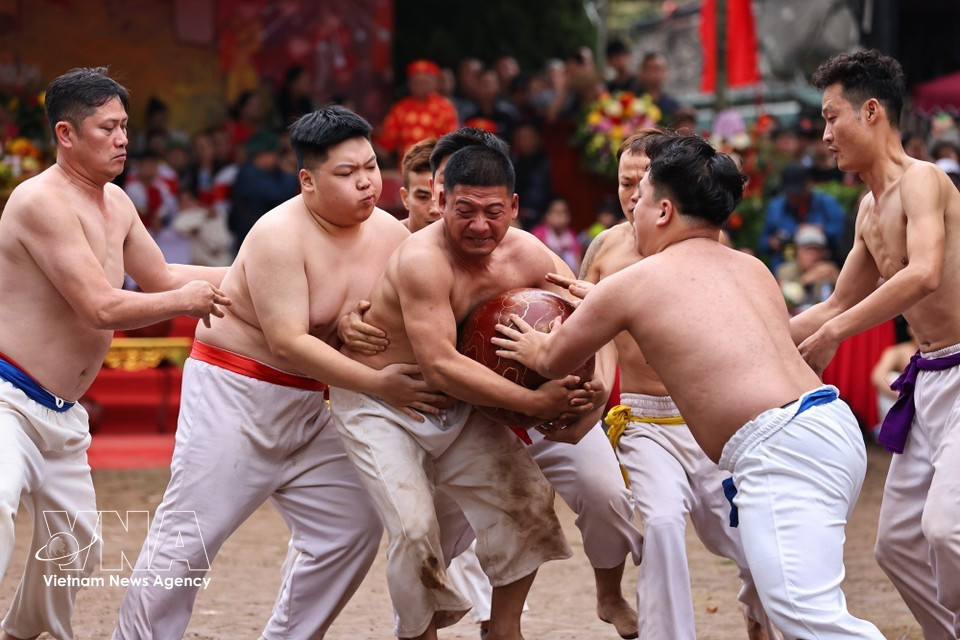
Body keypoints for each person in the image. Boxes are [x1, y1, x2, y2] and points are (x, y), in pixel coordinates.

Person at [493, 133, 885, 639]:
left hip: (778, 446)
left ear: (663, 211)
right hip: (829, 428)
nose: (631, 208)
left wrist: (529, 346)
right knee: (789, 595)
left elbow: (551, 358)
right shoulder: (751, 268)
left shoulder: (636, 282)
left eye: (643, 197)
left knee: (807, 615)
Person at [112, 106, 444, 640]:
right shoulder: (278, 234)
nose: (365, 183)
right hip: (237, 391)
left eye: (370, 167)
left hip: (322, 399)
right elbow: (289, 338)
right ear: (308, 181)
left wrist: (359, 329)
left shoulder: (390, 235)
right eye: (346, 173)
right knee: (190, 535)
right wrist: (382, 383)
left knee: (349, 527)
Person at [340, 126, 641, 639]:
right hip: (385, 403)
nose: (480, 225)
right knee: (416, 530)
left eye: (493, 212)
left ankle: (503, 630)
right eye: (465, 211)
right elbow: (438, 363)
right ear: (440, 199)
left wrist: (591, 396)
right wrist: (533, 400)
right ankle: (418, 634)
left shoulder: (528, 254)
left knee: (524, 497)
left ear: (515, 205)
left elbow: (595, 312)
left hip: (464, 406)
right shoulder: (421, 259)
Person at [0, 67, 230, 640]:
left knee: (75, 547)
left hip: (62, 409)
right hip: (7, 397)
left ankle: (24, 633)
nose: (124, 139)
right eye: (109, 128)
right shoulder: (40, 201)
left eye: (125, 126)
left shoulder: (117, 201)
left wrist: (257, 276)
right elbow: (99, 307)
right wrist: (185, 301)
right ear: (67, 134)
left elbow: (162, 274)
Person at [568, 130, 774, 640]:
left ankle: (764, 621)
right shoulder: (605, 249)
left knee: (754, 539)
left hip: (709, 420)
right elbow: (584, 332)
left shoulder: (708, 247)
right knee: (660, 524)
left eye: (644, 181)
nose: (632, 193)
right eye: (624, 181)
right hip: (640, 420)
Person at [791, 50, 960, 638]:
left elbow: (924, 273)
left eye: (832, 117)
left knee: (946, 530)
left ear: (871, 111)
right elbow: (833, 305)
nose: (826, 134)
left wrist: (835, 333)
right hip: (931, 377)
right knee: (897, 547)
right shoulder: (868, 208)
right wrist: (747, 335)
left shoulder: (925, 179)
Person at [759, 163, 847, 270]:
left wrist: (819, 230)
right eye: (790, 193)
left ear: (808, 185)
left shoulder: (827, 203)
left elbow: (843, 232)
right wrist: (772, 242)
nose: (794, 198)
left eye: (798, 193)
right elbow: (763, 241)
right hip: (786, 264)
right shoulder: (776, 207)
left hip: (821, 264)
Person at [377, 59, 459, 164]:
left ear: (435, 82)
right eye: (416, 82)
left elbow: (452, 144)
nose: (420, 86)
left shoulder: (445, 108)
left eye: (424, 82)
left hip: (435, 169)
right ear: (409, 83)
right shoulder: (400, 108)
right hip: (406, 172)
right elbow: (387, 142)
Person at [776, 224, 840, 316]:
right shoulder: (784, 270)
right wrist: (804, 280)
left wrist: (837, 280)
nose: (812, 256)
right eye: (807, 251)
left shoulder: (828, 270)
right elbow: (783, 301)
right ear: (797, 252)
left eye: (816, 251)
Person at [398, 137, 441, 232]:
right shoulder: (387, 242)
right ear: (405, 198)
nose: (435, 210)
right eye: (423, 197)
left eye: (442, 197)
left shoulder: (469, 243)